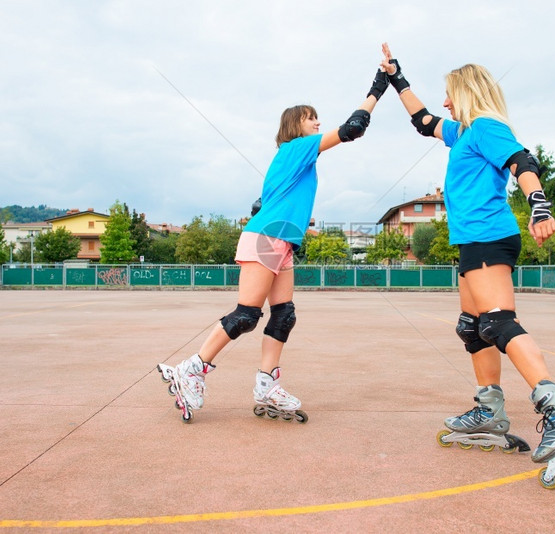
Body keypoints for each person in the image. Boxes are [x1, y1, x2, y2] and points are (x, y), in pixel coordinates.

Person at [380, 43, 555, 464]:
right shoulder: (462, 133)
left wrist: (539, 203)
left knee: (497, 323)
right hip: (472, 240)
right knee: (472, 327)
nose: (444, 102)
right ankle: (490, 412)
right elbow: (423, 121)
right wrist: (395, 76)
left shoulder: (486, 126)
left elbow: (521, 160)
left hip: (488, 237)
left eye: (449, 94)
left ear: (467, 93)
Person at [157, 65, 391, 423]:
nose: (317, 123)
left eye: (317, 119)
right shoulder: (297, 148)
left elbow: (267, 203)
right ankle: (191, 369)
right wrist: (379, 87)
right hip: (266, 239)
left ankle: (267, 384)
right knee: (247, 314)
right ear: (296, 125)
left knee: (284, 315)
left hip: (281, 242)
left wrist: (301, 229)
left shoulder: (296, 158)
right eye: (311, 119)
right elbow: (352, 128)